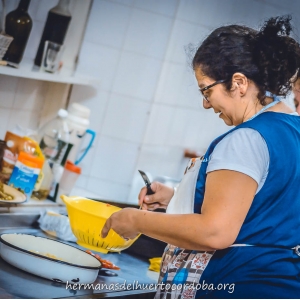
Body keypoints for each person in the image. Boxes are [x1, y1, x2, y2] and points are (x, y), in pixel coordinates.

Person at [101, 15, 300, 298]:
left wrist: (135, 220)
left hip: (238, 286)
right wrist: (179, 198)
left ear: (239, 82)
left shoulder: (246, 139)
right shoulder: (293, 128)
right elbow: (263, 210)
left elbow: (215, 232)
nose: (206, 104)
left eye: (206, 90)